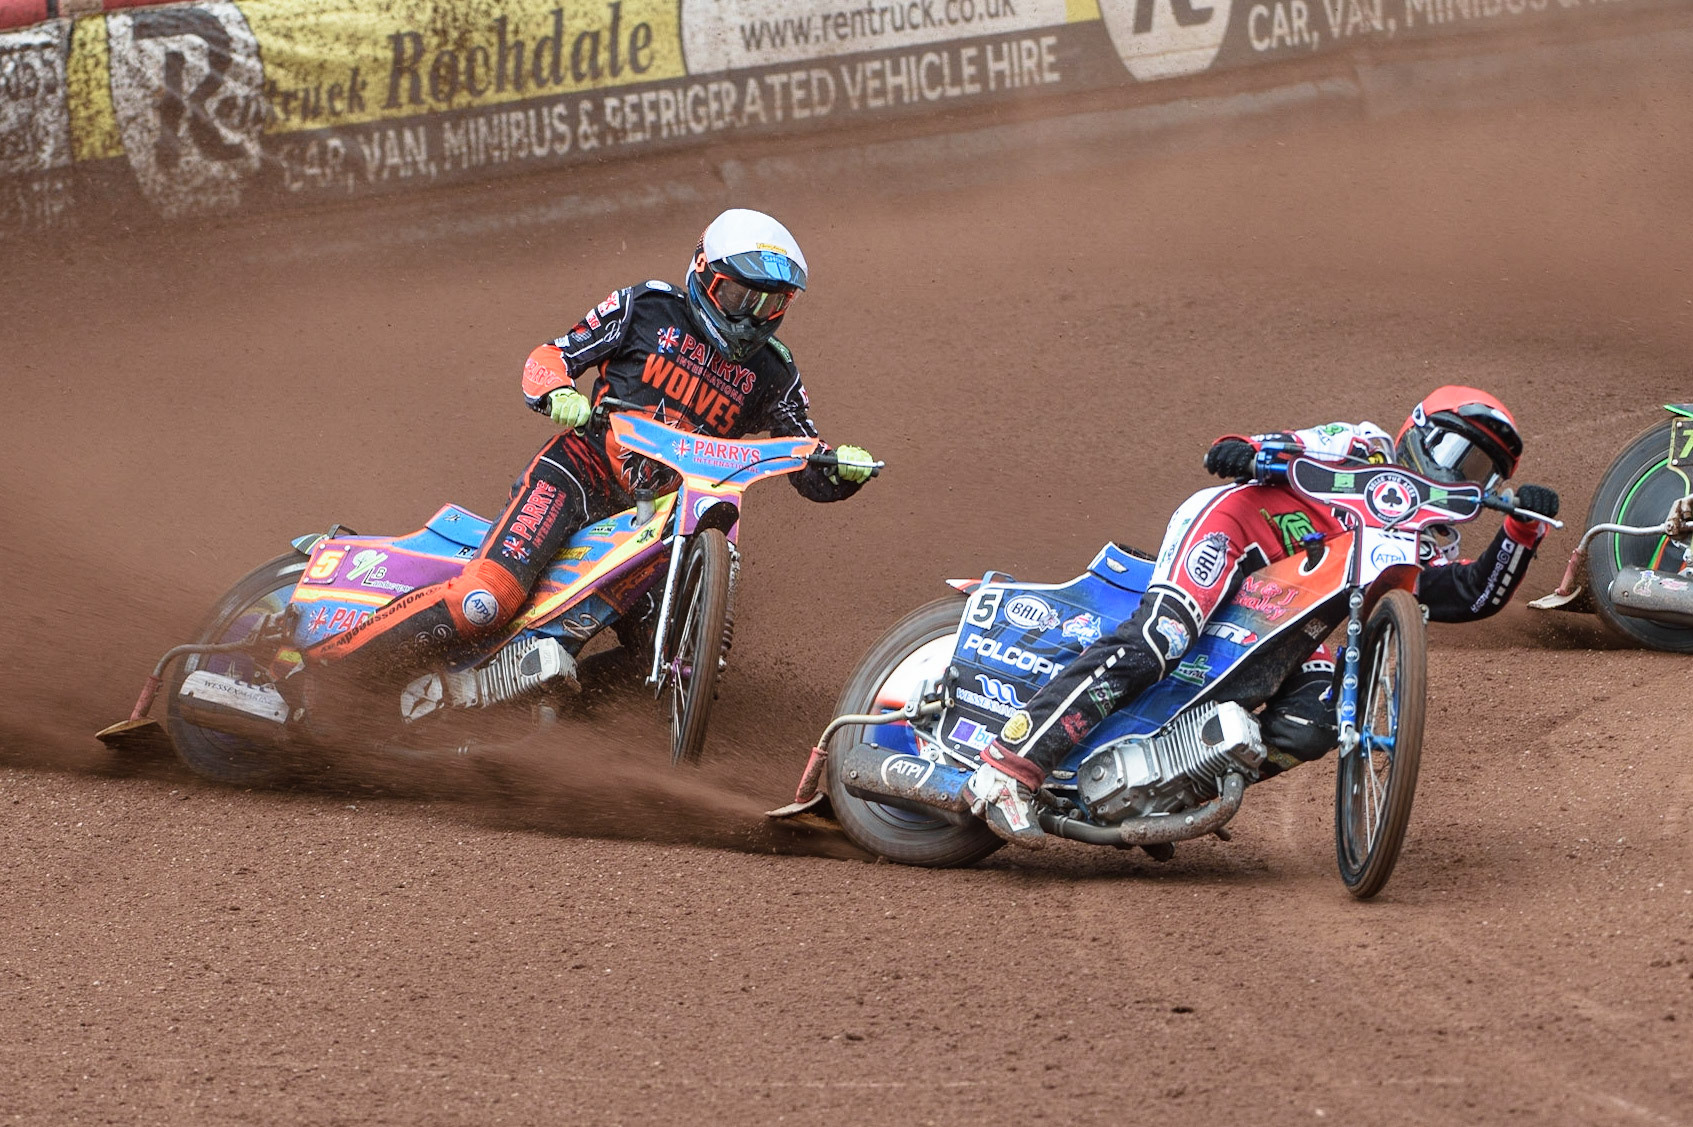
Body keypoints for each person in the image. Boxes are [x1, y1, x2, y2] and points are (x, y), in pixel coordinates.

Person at [296, 209, 876, 724]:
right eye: (740, 299)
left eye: (770, 305)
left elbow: (808, 459)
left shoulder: (775, 371)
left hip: (662, 522)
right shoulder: (647, 306)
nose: (752, 320)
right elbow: (552, 354)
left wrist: (840, 468)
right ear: (705, 275)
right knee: (487, 600)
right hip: (581, 472)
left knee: (675, 658)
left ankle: (540, 717)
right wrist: (557, 392)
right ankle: (329, 672)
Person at [963, 386, 1560, 847]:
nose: (1460, 475)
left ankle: (1172, 792)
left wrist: (1521, 530)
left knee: (1313, 722)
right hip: (1237, 535)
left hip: (1298, 612)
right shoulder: (1362, 444)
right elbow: (1286, 445)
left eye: (1481, 470)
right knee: (1160, 638)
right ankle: (1008, 768)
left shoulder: (1434, 542)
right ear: (1418, 432)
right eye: (1454, 451)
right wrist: (1247, 449)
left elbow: (1472, 596)